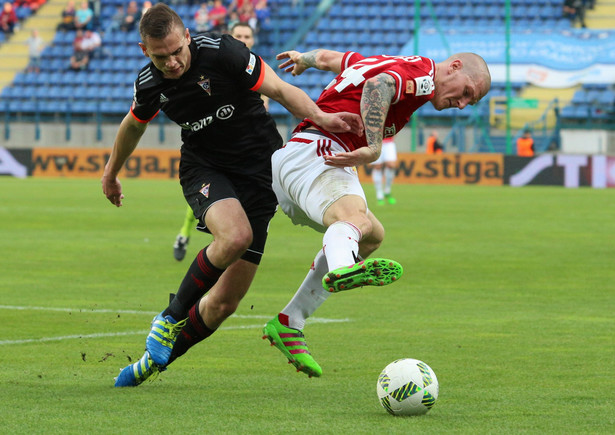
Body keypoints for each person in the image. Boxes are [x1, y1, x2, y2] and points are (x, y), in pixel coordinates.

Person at [102, 3, 362, 387]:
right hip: (205, 168)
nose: (172, 62)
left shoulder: (224, 52)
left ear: (187, 36)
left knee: (224, 304)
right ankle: (169, 318)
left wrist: (322, 119)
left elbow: (280, 88)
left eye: (177, 51)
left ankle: (150, 364)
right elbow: (133, 125)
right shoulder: (150, 83)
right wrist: (111, 172)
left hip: (260, 174)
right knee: (235, 237)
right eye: (161, 56)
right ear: (145, 51)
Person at [261, 48, 491, 377]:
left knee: (371, 236)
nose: (463, 104)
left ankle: (289, 321)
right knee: (355, 220)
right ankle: (341, 269)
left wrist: (304, 59)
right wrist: (373, 146)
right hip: (318, 152)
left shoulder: (391, 62)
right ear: (454, 67)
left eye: (471, 102)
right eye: (467, 92)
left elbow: (329, 59)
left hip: (301, 156)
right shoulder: (423, 77)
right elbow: (378, 87)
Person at [172, 21, 267, 261]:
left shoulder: (255, 67)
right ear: (230, 36)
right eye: (238, 35)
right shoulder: (219, 64)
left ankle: (225, 244)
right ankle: (185, 234)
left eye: (247, 35)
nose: (243, 39)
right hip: (209, 144)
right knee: (210, 189)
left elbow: (262, 106)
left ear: (253, 40)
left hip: (242, 148)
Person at [371, 136, 397, 205]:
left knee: (391, 165)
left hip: (388, 141)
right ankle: (379, 195)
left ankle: (387, 191)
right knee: (378, 166)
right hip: (375, 141)